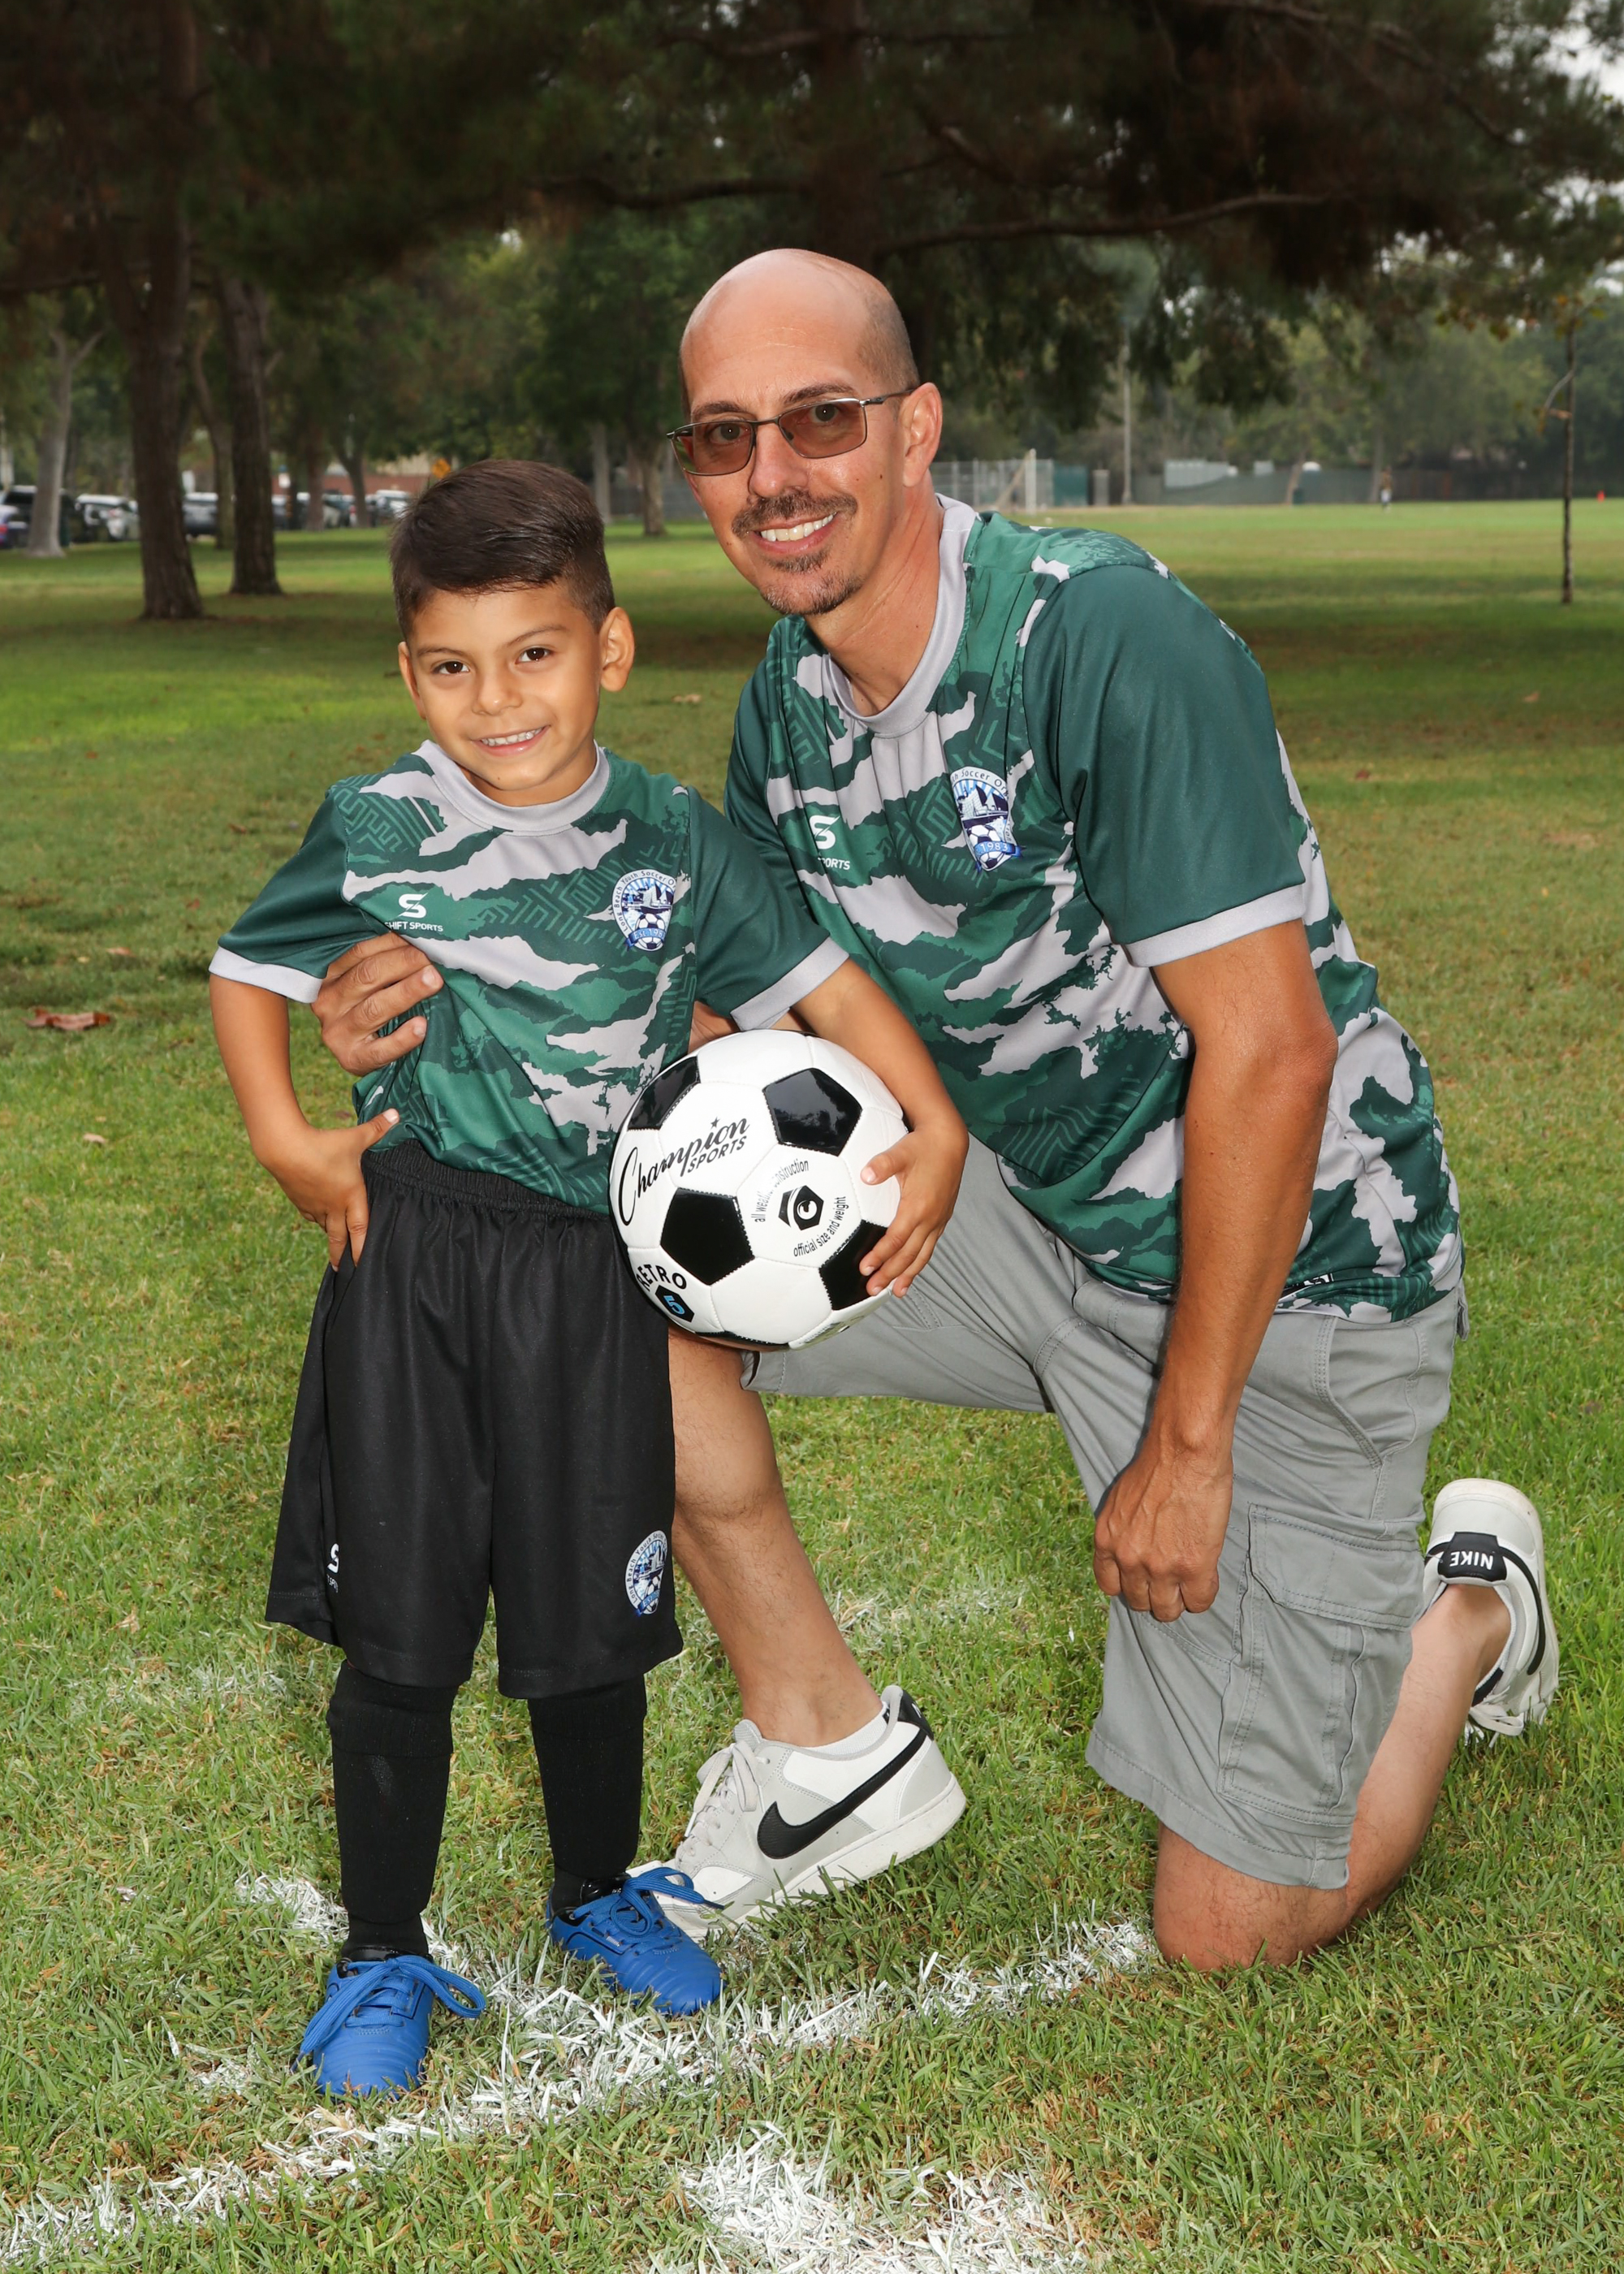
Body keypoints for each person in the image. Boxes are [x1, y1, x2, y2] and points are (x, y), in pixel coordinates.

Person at [310, 256, 1559, 1971]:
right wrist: (416, 998)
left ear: (915, 428)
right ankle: (827, 1749)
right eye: (726, 435)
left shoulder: (1092, 632)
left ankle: (1469, 1604)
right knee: (602, 1271)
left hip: (1286, 1275)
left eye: (820, 418)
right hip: (1014, 1214)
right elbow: (732, 1032)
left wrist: (1186, 1450)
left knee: (1235, 1928)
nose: (775, 472)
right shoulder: (787, 705)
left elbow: (1272, 1058)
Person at [208, 458, 969, 2093]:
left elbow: (827, 988)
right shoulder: (376, 821)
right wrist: (288, 1139)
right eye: (453, 665)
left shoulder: (676, 841)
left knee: (595, 1618)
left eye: (535, 654)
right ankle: (380, 1948)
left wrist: (933, 1124)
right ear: (409, 670)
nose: (498, 701)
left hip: (596, 1275)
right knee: (401, 1632)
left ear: (608, 649)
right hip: (413, 1262)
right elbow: (247, 970)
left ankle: (593, 1888)